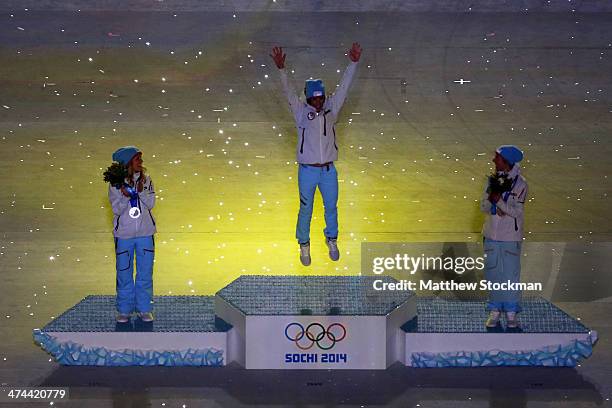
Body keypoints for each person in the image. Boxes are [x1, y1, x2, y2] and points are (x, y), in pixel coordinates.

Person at [270, 43, 362, 266]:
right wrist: (281, 70)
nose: (319, 102)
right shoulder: (301, 112)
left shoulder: (332, 109)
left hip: (329, 171)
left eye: (321, 98)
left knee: (331, 207)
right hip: (308, 172)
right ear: (309, 99)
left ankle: (331, 238)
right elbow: (289, 93)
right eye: (315, 99)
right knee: (306, 209)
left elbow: (344, 88)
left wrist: (353, 63)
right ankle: (304, 244)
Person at [480, 145, 528, 329]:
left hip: (510, 238)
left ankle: (511, 314)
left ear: (507, 161)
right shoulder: (491, 181)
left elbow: (517, 213)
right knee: (493, 274)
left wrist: (499, 202)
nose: (494, 161)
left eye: (497, 158)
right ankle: (494, 312)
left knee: (509, 276)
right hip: (491, 236)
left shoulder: (521, 184)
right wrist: (491, 205)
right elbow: (483, 207)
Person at [109, 146, 157, 323]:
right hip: (124, 235)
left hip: (145, 233)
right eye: (138, 159)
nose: (141, 163)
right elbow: (116, 209)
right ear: (129, 162)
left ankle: (144, 309)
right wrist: (125, 195)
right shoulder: (115, 183)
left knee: (145, 272)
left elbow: (151, 203)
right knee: (124, 273)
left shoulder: (146, 179)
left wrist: (140, 190)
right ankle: (124, 310)